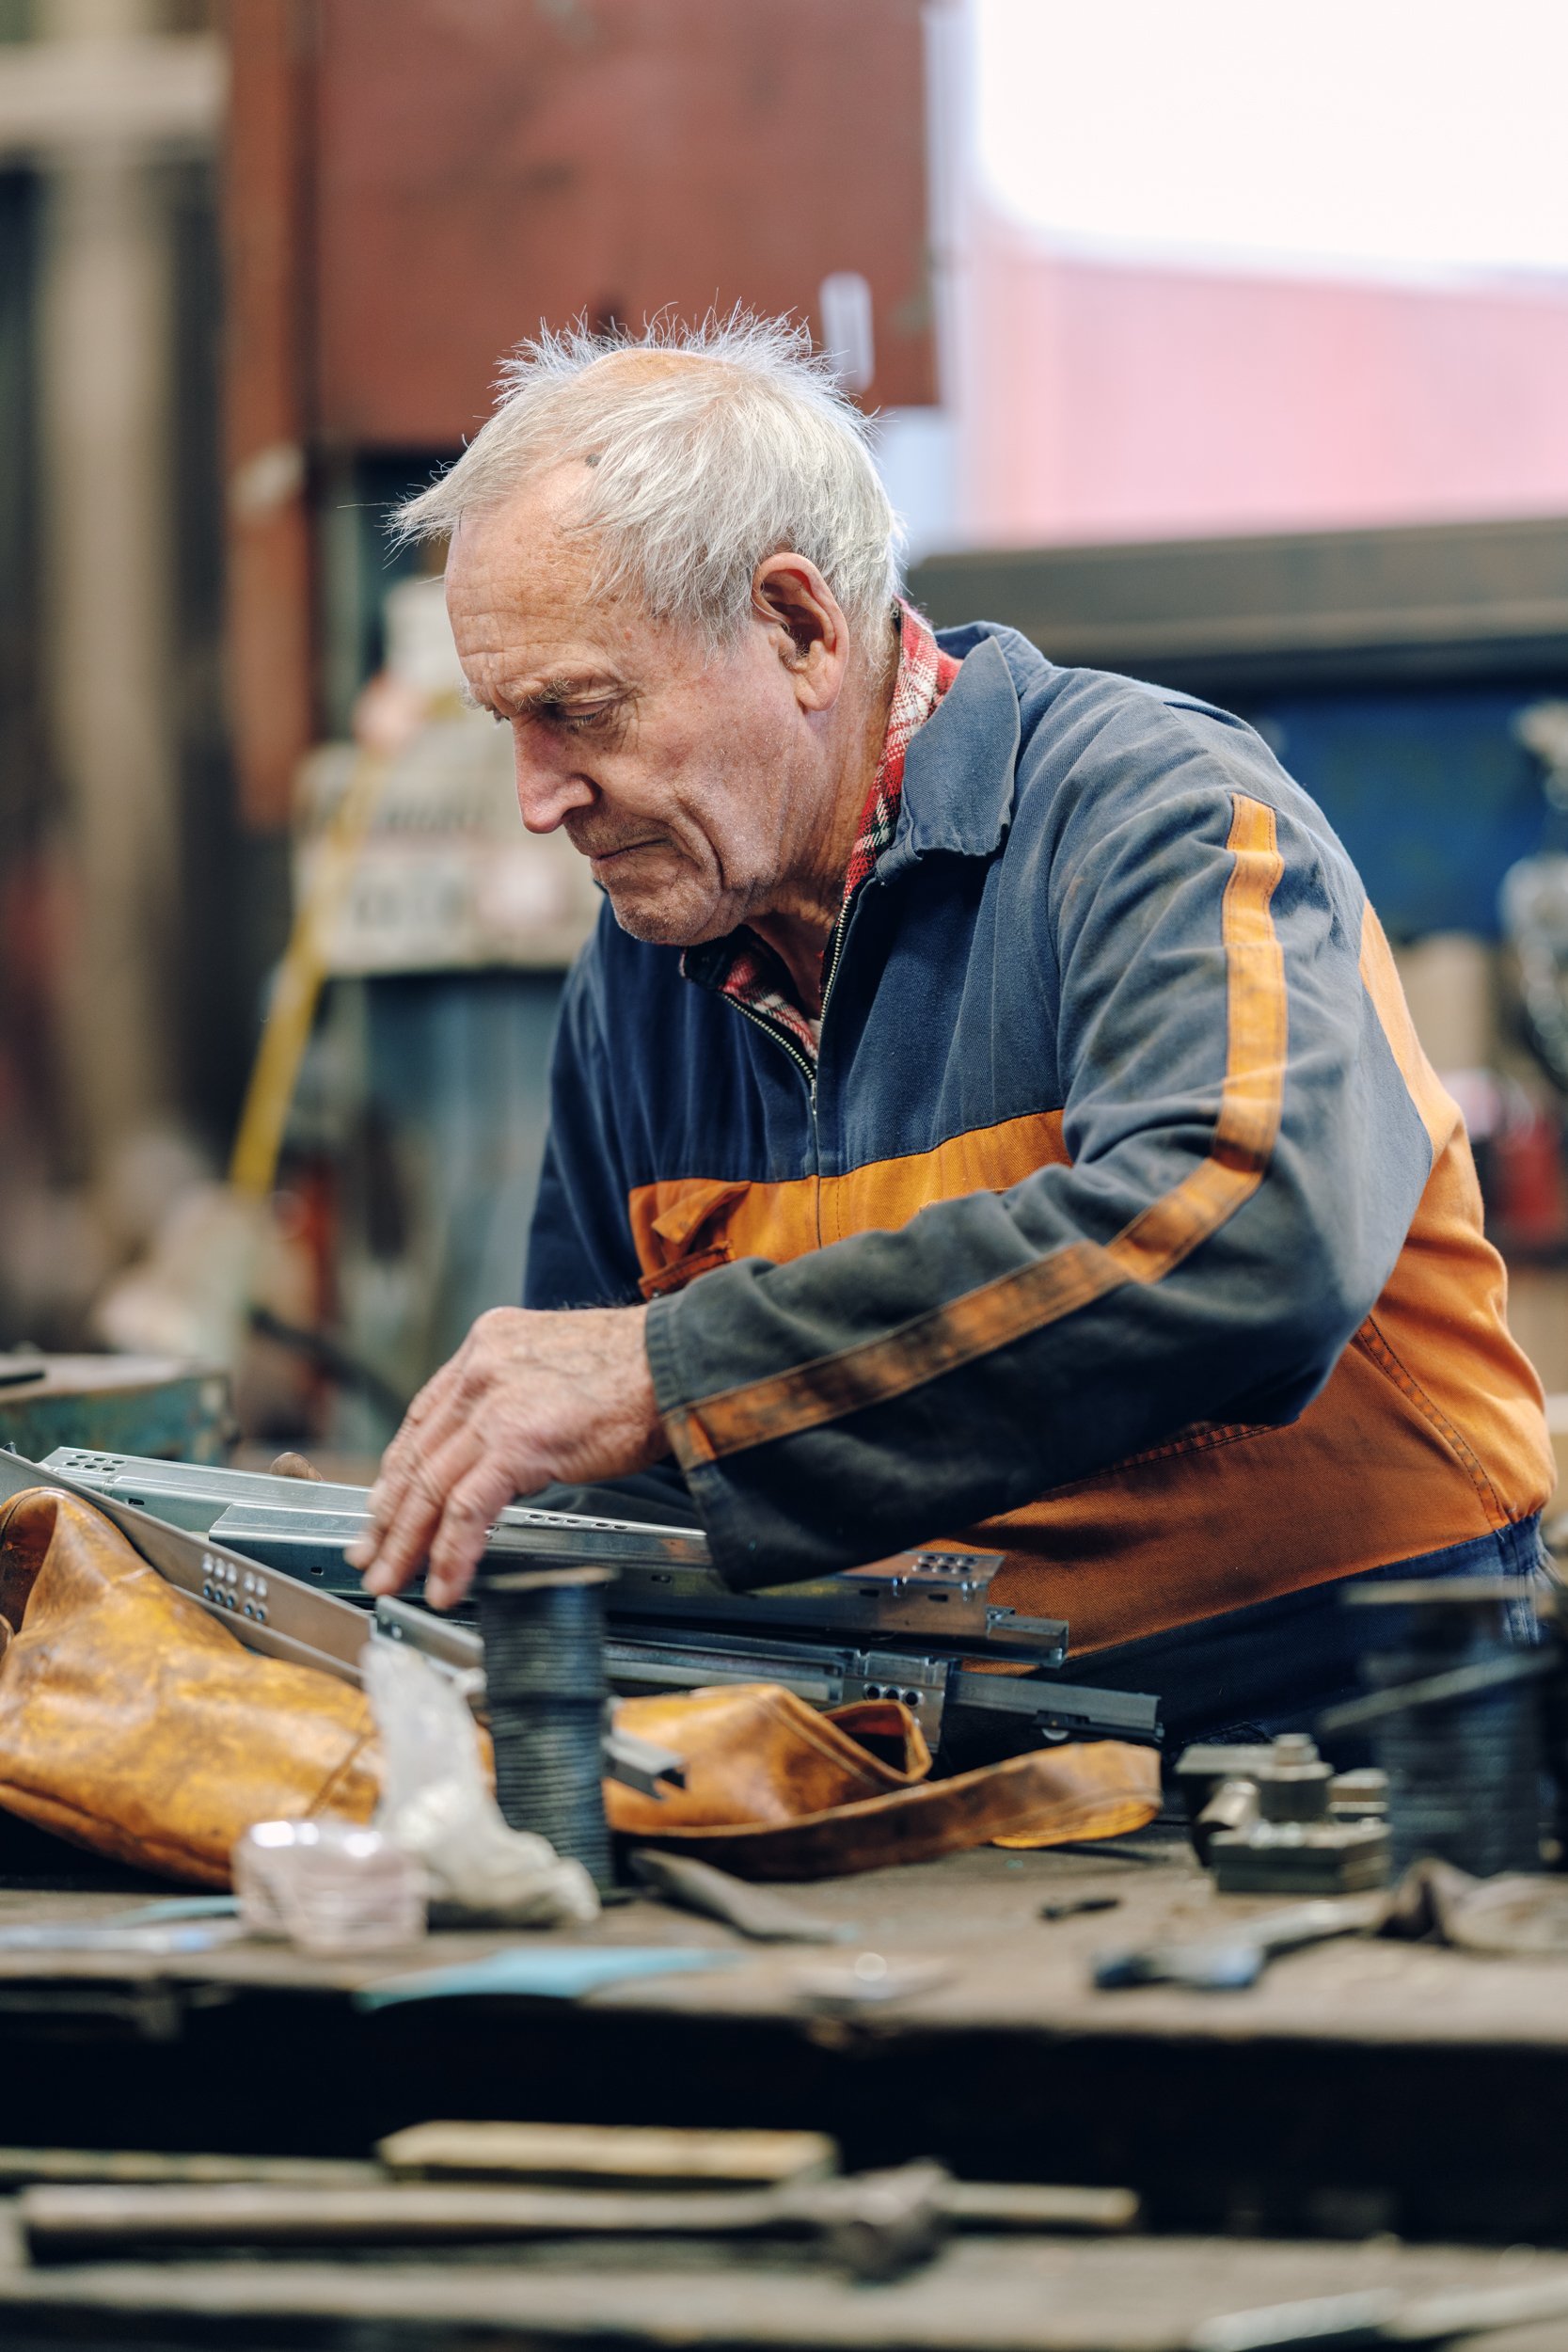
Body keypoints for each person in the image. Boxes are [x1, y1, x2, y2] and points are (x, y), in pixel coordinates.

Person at [346, 314, 1552, 1742]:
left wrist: (680, 1375)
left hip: (1338, 1723)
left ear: (798, 628)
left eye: (580, 712)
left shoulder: (1153, 813)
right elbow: (603, 1464)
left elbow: (1247, 1241)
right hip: (938, 1752)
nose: (540, 797)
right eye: (509, 725)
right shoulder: (642, 972)